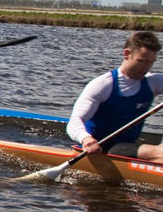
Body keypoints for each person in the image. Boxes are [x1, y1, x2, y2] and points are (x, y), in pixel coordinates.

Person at [67, 31, 163, 163]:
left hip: (128, 145)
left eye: (151, 62)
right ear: (127, 54)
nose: (147, 67)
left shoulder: (153, 82)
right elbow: (74, 122)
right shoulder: (103, 85)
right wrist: (86, 139)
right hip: (99, 147)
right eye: (142, 61)